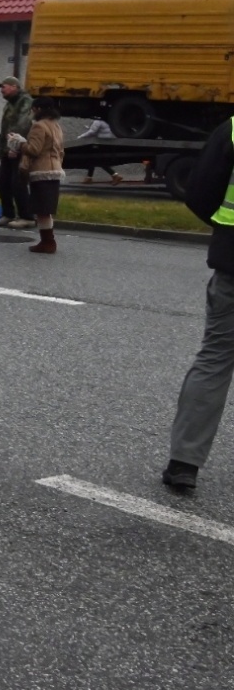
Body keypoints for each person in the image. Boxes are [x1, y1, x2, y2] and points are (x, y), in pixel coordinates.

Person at [164, 114, 234, 491]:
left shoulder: (232, 129)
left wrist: (224, 228)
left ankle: (185, 463)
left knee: (215, 359)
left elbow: (200, 192)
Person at [21, 97, 65, 254]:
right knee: (46, 208)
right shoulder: (56, 126)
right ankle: (48, 240)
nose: (32, 111)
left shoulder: (39, 126)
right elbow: (61, 151)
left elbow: (34, 150)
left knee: (41, 209)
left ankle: (48, 242)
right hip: (55, 170)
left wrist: (19, 143)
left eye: (33, 108)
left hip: (41, 171)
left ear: (38, 109)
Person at [0, 76, 36, 229]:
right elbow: (5, 128)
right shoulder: (9, 105)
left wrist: (14, 147)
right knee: (3, 183)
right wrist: (3, 149)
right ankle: (8, 213)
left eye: (4, 86)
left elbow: (22, 125)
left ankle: (27, 216)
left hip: (18, 149)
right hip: (7, 150)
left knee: (18, 183)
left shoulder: (25, 101)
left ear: (14, 86)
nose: (1, 90)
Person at [75, 117, 123, 184]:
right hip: (109, 143)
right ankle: (89, 177)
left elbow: (92, 132)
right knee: (92, 159)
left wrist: (81, 137)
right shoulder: (107, 120)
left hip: (103, 143)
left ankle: (115, 175)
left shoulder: (98, 121)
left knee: (99, 160)